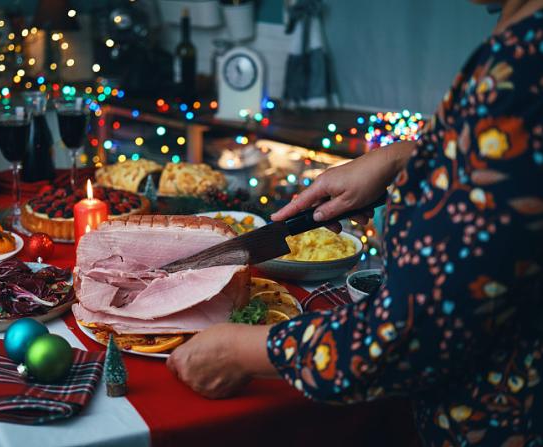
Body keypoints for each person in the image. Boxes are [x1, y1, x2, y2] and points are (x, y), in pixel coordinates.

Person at [166, 0, 543, 444]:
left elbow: (413, 333)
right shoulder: (520, 42)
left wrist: (243, 351)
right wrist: (403, 159)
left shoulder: (526, 64)